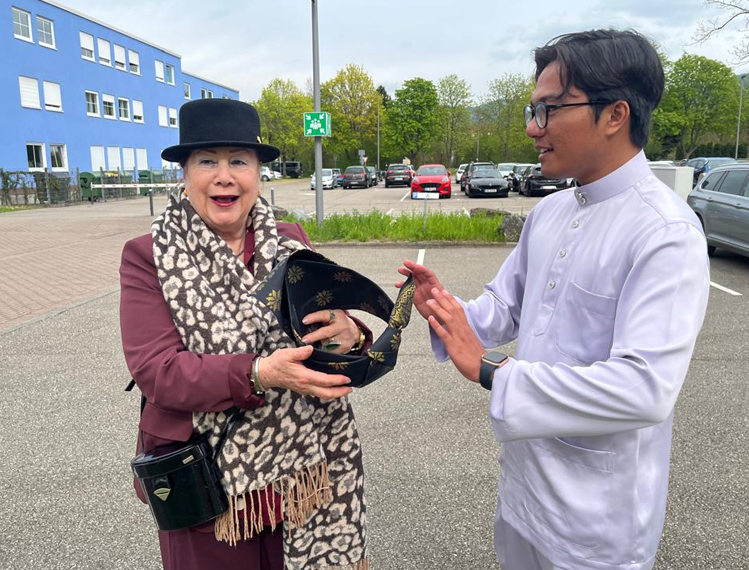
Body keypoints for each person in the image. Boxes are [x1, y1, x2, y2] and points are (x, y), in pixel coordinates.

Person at [399, 30, 709, 570]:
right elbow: (503, 310)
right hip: (525, 490)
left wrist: (495, 373)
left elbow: (644, 390)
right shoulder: (550, 213)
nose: (531, 127)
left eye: (548, 110)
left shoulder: (665, 232)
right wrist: (446, 310)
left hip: (598, 519)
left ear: (614, 115)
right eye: (532, 108)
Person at [120, 98, 370, 570]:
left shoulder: (291, 239)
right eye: (207, 161)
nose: (224, 176)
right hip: (206, 476)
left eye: (239, 161)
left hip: (303, 472)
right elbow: (158, 372)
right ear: (184, 174)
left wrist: (347, 334)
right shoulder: (149, 254)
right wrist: (261, 374)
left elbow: (329, 337)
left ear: (258, 172)